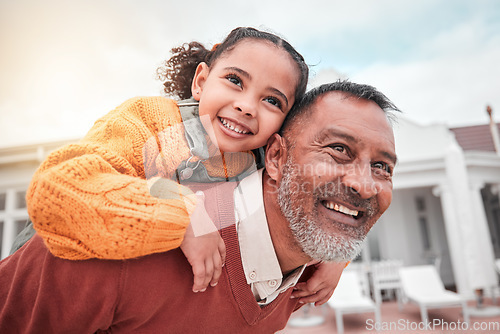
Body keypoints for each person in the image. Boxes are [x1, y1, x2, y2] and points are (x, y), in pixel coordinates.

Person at [0, 80, 400, 333]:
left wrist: (335, 258)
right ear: (275, 158)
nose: (364, 185)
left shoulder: (306, 273)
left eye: (382, 167)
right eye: (337, 150)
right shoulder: (118, 236)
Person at [24, 26, 327, 295]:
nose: (247, 106)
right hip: (38, 289)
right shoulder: (152, 124)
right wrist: (184, 218)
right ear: (201, 81)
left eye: (272, 101)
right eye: (235, 80)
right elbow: (57, 191)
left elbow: (315, 207)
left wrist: (331, 258)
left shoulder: (265, 166)